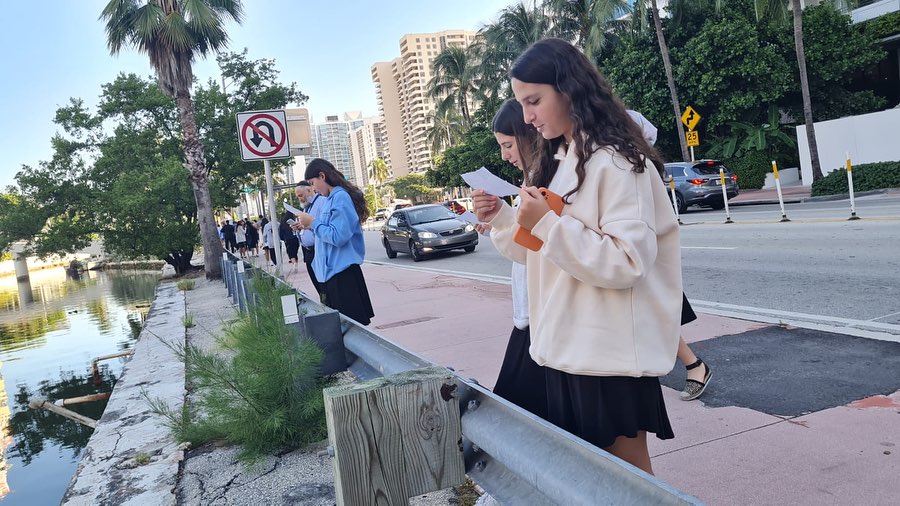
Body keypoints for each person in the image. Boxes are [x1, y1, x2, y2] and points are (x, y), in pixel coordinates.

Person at [473, 38, 681, 474]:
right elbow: (538, 257)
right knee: (595, 476)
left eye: (534, 101)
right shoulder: (563, 160)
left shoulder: (616, 161)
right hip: (567, 348)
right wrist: (503, 218)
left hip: (607, 354)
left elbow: (627, 262)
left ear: (569, 90)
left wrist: (546, 223)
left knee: (627, 479)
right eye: (522, 103)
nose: (527, 117)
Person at [625, 110, 713, 401]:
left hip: (642, 258)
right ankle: (693, 365)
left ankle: (695, 365)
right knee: (652, 318)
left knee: (655, 317)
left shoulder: (638, 167)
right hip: (633, 258)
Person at [293, 159, 374, 326]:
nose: (313, 188)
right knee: (339, 328)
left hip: (343, 275)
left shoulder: (340, 198)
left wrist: (313, 223)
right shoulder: (331, 199)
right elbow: (327, 232)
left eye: (313, 183)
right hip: (331, 275)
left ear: (322, 176)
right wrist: (309, 226)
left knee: (350, 329)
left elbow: (338, 237)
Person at [294, 181, 325, 300]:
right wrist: (298, 227)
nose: (300, 199)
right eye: (298, 196)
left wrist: (309, 225)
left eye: (301, 195)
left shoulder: (321, 203)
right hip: (308, 252)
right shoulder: (306, 208)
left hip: (318, 250)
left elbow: (321, 226)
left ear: (309, 190)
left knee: (324, 287)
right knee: (318, 286)